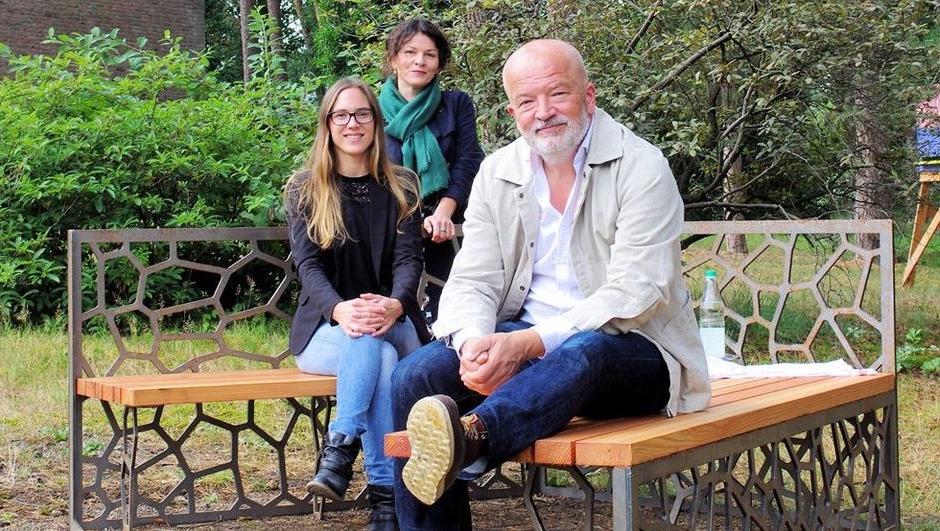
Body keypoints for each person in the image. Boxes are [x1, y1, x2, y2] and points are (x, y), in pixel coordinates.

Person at [389, 40, 711, 529]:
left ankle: (474, 438)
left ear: (589, 96)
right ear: (513, 109)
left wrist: (526, 344)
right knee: (414, 377)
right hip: (526, 344)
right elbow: (474, 276)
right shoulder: (498, 172)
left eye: (557, 94)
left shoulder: (641, 165)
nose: (544, 113)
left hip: (637, 351)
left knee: (586, 350)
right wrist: (477, 344)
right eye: (527, 102)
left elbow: (637, 290)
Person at [284, 77, 432, 531]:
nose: (353, 123)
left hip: (394, 320)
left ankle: (340, 451)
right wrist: (341, 310)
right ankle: (385, 501)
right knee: (374, 350)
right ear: (327, 124)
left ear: (375, 121)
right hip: (325, 331)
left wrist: (393, 304)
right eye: (342, 115)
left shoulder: (401, 184)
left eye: (362, 114)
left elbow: (410, 261)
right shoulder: (306, 188)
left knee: (379, 344)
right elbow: (309, 269)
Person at [379, 19, 485, 323]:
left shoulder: (456, 104)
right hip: (393, 228)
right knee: (396, 318)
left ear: (439, 63)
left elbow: (468, 160)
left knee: (450, 314)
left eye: (430, 54)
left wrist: (443, 212)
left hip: (448, 225)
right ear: (394, 59)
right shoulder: (370, 110)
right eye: (410, 52)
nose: (419, 61)